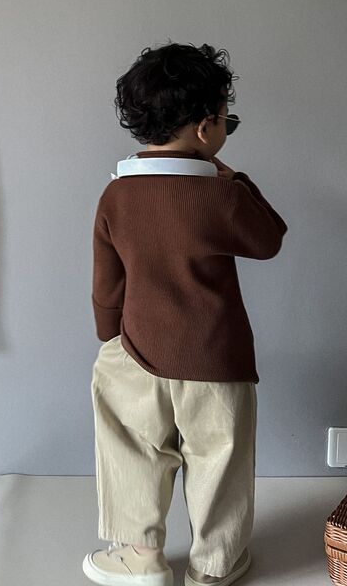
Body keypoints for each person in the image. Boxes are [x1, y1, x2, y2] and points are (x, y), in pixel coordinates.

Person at [82, 42, 288, 586]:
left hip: (136, 347)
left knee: (131, 448)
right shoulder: (220, 197)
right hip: (216, 356)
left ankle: (141, 556)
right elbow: (270, 239)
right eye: (226, 121)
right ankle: (216, 565)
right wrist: (231, 177)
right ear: (204, 128)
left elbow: (107, 282)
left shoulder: (116, 195)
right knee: (220, 458)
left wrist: (110, 336)